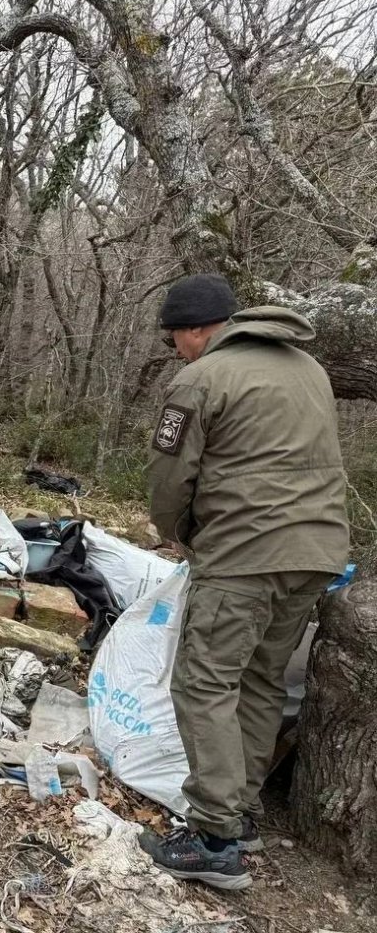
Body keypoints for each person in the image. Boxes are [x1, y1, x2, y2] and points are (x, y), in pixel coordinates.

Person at [140, 273, 349, 890]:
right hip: (316, 553)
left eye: (175, 337)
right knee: (259, 679)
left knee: (204, 683)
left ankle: (213, 837)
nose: (176, 349)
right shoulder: (308, 368)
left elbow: (170, 477)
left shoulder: (201, 378)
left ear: (195, 331)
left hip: (244, 555)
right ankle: (243, 812)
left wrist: (179, 532)